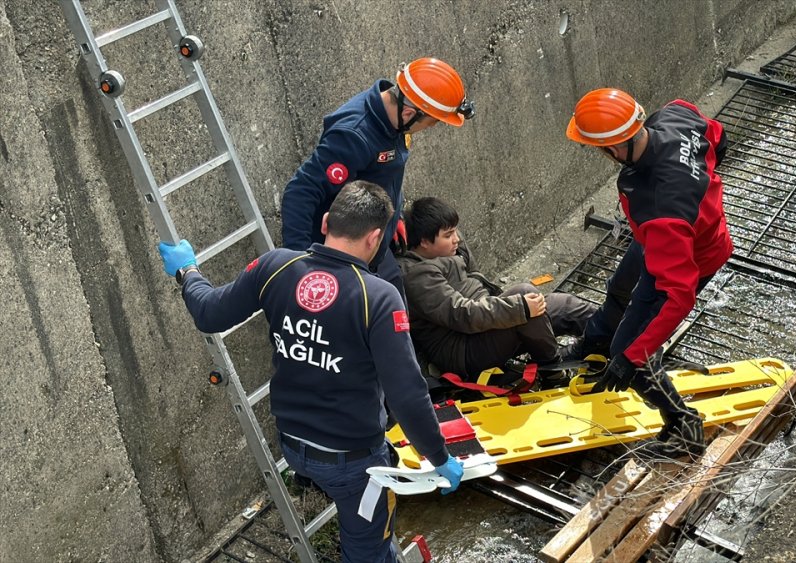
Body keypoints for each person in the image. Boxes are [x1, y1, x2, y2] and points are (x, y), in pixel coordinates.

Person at [158, 181, 463, 562]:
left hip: (294, 447)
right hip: (354, 464)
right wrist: (439, 457)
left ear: (325, 223)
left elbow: (209, 312)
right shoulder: (379, 297)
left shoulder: (277, 266)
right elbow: (407, 394)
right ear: (374, 238)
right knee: (367, 551)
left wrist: (187, 270)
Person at [564, 88, 732, 458]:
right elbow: (718, 136)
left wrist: (632, 356)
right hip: (671, 231)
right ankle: (595, 342)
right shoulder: (675, 116)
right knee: (620, 287)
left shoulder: (660, 206)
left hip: (686, 252)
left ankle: (684, 424)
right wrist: (699, 193)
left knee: (631, 349)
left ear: (612, 147)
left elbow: (679, 295)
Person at [280, 57, 474, 301]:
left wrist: (395, 215)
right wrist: (299, 265)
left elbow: (386, 174)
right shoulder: (354, 136)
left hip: (378, 246)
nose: (431, 127)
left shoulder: (395, 123)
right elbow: (300, 193)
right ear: (409, 112)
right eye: (432, 121)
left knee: (396, 318)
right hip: (346, 260)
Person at [398, 197, 597, 379]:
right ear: (424, 241)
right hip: (464, 350)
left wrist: (516, 308)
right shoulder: (417, 276)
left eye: (455, 231)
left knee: (566, 307)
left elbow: (477, 282)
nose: (456, 238)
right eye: (448, 235)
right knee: (526, 299)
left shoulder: (452, 248)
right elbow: (462, 315)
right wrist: (519, 308)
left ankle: (612, 341)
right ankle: (553, 372)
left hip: (486, 323)